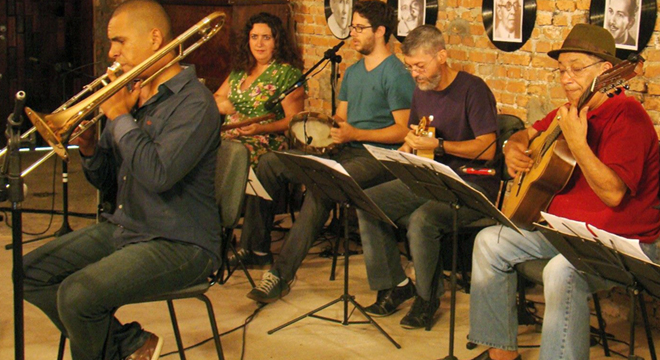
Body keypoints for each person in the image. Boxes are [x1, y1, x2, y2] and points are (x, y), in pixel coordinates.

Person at [22, 1, 223, 360]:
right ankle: (126, 344)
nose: (112, 52)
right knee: (29, 273)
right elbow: (111, 185)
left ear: (154, 38)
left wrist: (118, 117)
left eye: (119, 41)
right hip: (129, 227)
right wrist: (88, 151)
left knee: (77, 295)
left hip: (180, 241)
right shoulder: (135, 97)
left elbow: (157, 175)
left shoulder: (196, 103)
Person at [467, 23, 660, 360]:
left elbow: (613, 194)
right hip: (565, 231)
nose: (565, 78)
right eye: (561, 69)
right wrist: (514, 146)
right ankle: (501, 353)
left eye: (576, 68)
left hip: (621, 240)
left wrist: (577, 142)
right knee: (488, 242)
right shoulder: (569, 111)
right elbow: (527, 133)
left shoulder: (628, 116)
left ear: (606, 72)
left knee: (560, 271)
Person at [238, 0, 416, 304]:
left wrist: (354, 133)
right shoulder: (354, 71)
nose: (353, 34)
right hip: (345, 150)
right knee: (270, 163)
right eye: (352, 27)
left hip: (376, 158)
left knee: (323, 186)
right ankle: (256, 248)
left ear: (381, 31)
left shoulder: (396, 74)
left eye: (360, 28)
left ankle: (280, 276)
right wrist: (324, 126)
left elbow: (403, 129)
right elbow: (343, 117)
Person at [357, 25, 499, 329]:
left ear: (442, 56)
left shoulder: (472, 90)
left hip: (470, 184)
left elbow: (488, 148)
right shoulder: (421, 92)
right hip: (430, 177)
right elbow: (416, 133)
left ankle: (427, 297)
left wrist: (440, 145)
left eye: (420, 66)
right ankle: (395, 284)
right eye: (409, 67)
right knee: (369, 201)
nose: (415, 74)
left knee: (423, 220)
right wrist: (404, 151)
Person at [214, 12, 304, 166]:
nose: (259, 44)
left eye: (266, 38)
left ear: (277, 41)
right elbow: (216, 97)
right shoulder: (241, 70)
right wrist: (222, 104)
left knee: (233, 154)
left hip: (264, 139)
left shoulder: (287, 73)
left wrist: (261, 128)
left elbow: (294, 119)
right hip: (228, 137)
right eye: (254, 37)